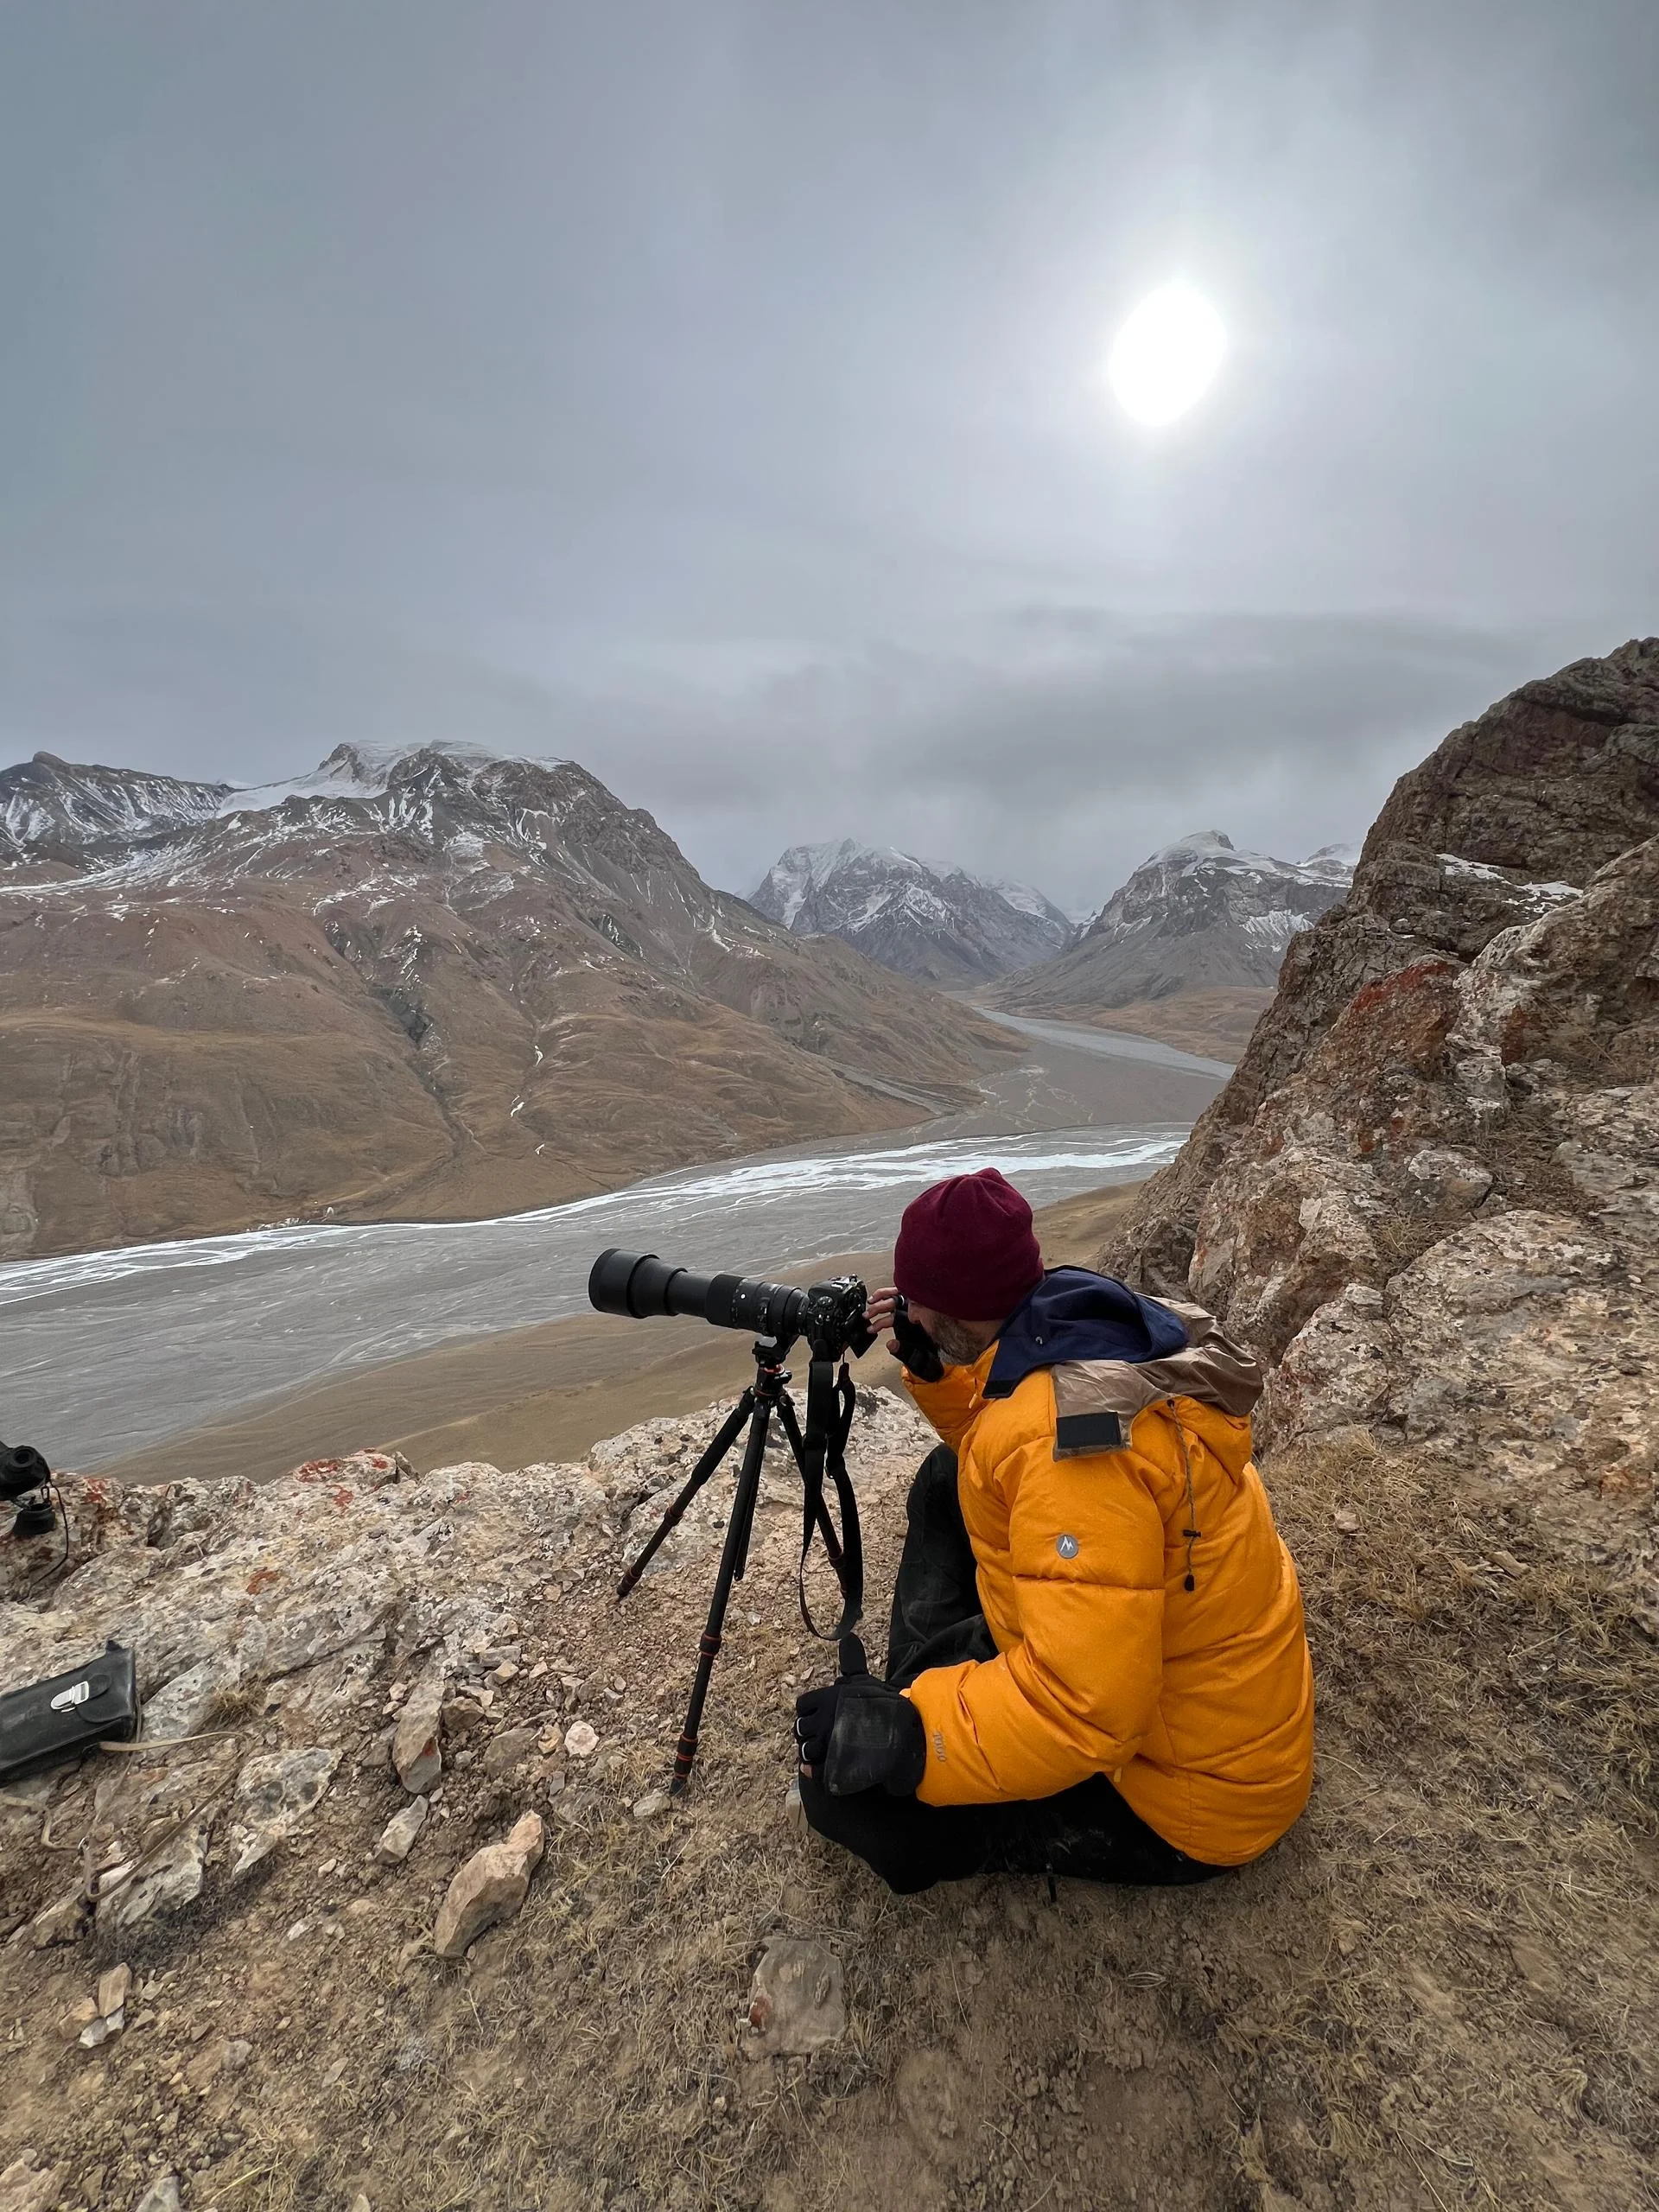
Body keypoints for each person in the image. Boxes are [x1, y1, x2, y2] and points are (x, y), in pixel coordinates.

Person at [794, 1166, 1314, 1895]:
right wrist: (936, 1365)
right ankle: (928, 1691)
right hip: (1204, 1704)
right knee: (949, 1479)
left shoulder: (1072, 1457)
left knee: (845, 1797)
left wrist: (913, 1741)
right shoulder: (1084, 1320)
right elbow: (1000, 1442)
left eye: (914, 1302)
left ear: (943, 1309)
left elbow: (1088, 1710)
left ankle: (918, 1706)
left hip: (1191, 1801)